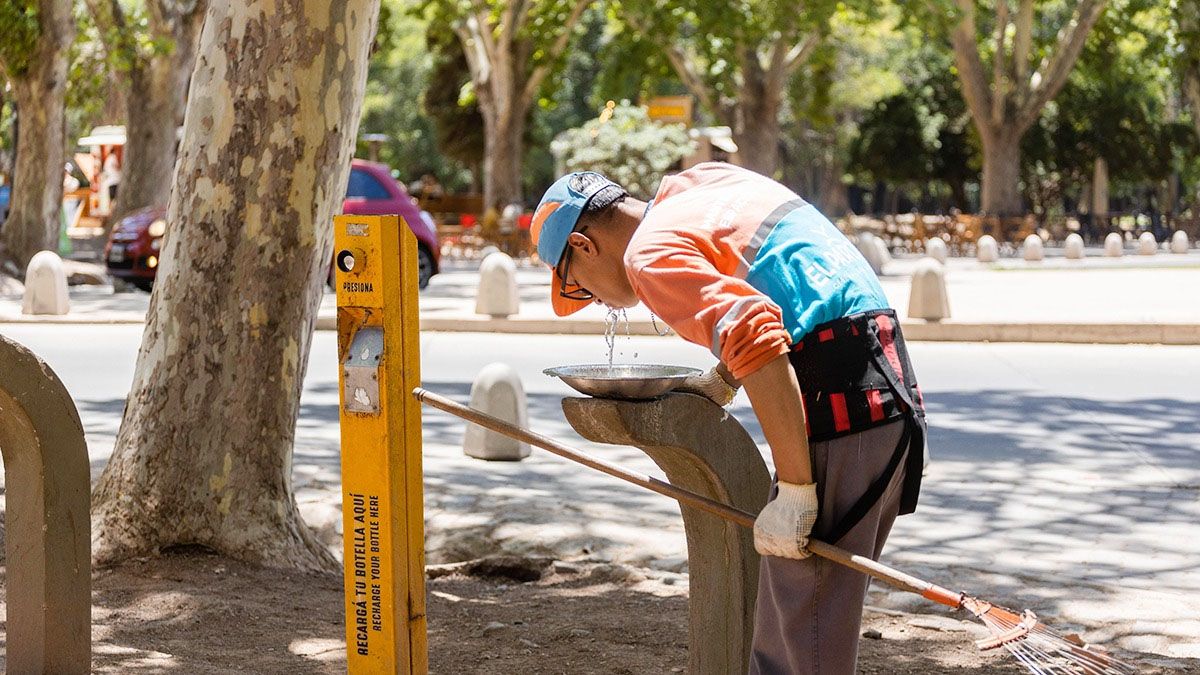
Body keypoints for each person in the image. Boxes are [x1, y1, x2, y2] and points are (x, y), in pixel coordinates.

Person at [530, 164, 927, 674]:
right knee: (808, 622)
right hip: (885, 392)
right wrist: (724, 378)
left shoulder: (646, 257)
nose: (595, 300)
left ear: (584, 245)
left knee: (797, 647)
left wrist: (797, 491)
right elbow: (783, 284)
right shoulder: (702, 184)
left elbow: (756, 338)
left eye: (578, 286)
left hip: (846, 410)